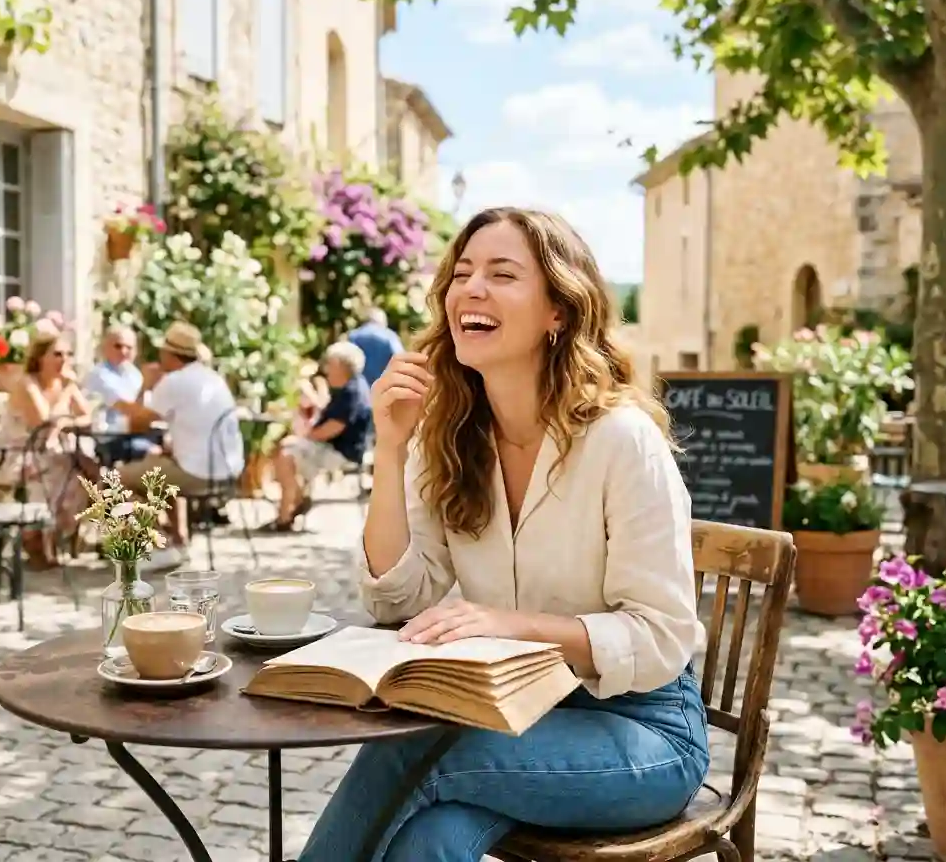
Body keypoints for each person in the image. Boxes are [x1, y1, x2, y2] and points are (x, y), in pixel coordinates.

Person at [296, 207, 708, 862]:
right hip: (516, 715)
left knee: (417, 752)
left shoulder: (621, 440)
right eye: (462, 274)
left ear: (558, 311)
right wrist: (391, 447)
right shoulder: (451, 435)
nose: (472, 289)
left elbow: (661, 637)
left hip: (644, 733)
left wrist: (509, 625)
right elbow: (397, 598)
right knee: (430, 841)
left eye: (502, 274)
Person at [116, 322, 244, 544]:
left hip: (199, 475)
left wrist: (146, 385)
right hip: (228, 472)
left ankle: (161, 543)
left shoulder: (173, 381)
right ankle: (178, 538)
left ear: (169, 354)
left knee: (115, 480)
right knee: (158, 464)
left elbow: (136, 426)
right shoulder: (213, 378)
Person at [0, 331, 98, 569]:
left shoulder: (64, 384)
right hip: (20, 452)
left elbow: (87, 418)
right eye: (57, 354)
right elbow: (43, 422)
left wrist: (66, 422)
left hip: (51, 451)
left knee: (89, 474)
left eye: (68, 355)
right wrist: (67, 393)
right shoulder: (27, 384)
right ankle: (35, 537)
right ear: (40, 357)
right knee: (49, 473)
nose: (64, 360)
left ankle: (58, 535)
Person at [267, 342, 372, 531]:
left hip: (340, 452)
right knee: (284, 448)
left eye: (329, 364)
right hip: (334, 447)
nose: (326, 369)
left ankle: (288, 511)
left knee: (285, 454)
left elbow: (332, 428)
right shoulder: (352, 386)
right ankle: (295, 500)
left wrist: (304, 436)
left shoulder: (351, 392)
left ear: (339, 365)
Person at [84, 325, 157, 462]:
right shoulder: (100, 374)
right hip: (111, 438)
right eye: (118, 346)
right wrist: (147, 387)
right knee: (154, 454)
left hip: (135, 433)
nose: (124, 351)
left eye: (129, 347)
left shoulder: (134, 374)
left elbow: (147, 408)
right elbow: (129, 409)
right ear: (105, 348)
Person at [348, 307, 403, 387]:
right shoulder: (390, 336)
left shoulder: (353, 336)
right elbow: (401, 361)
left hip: (359, 388)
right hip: (383, 388)